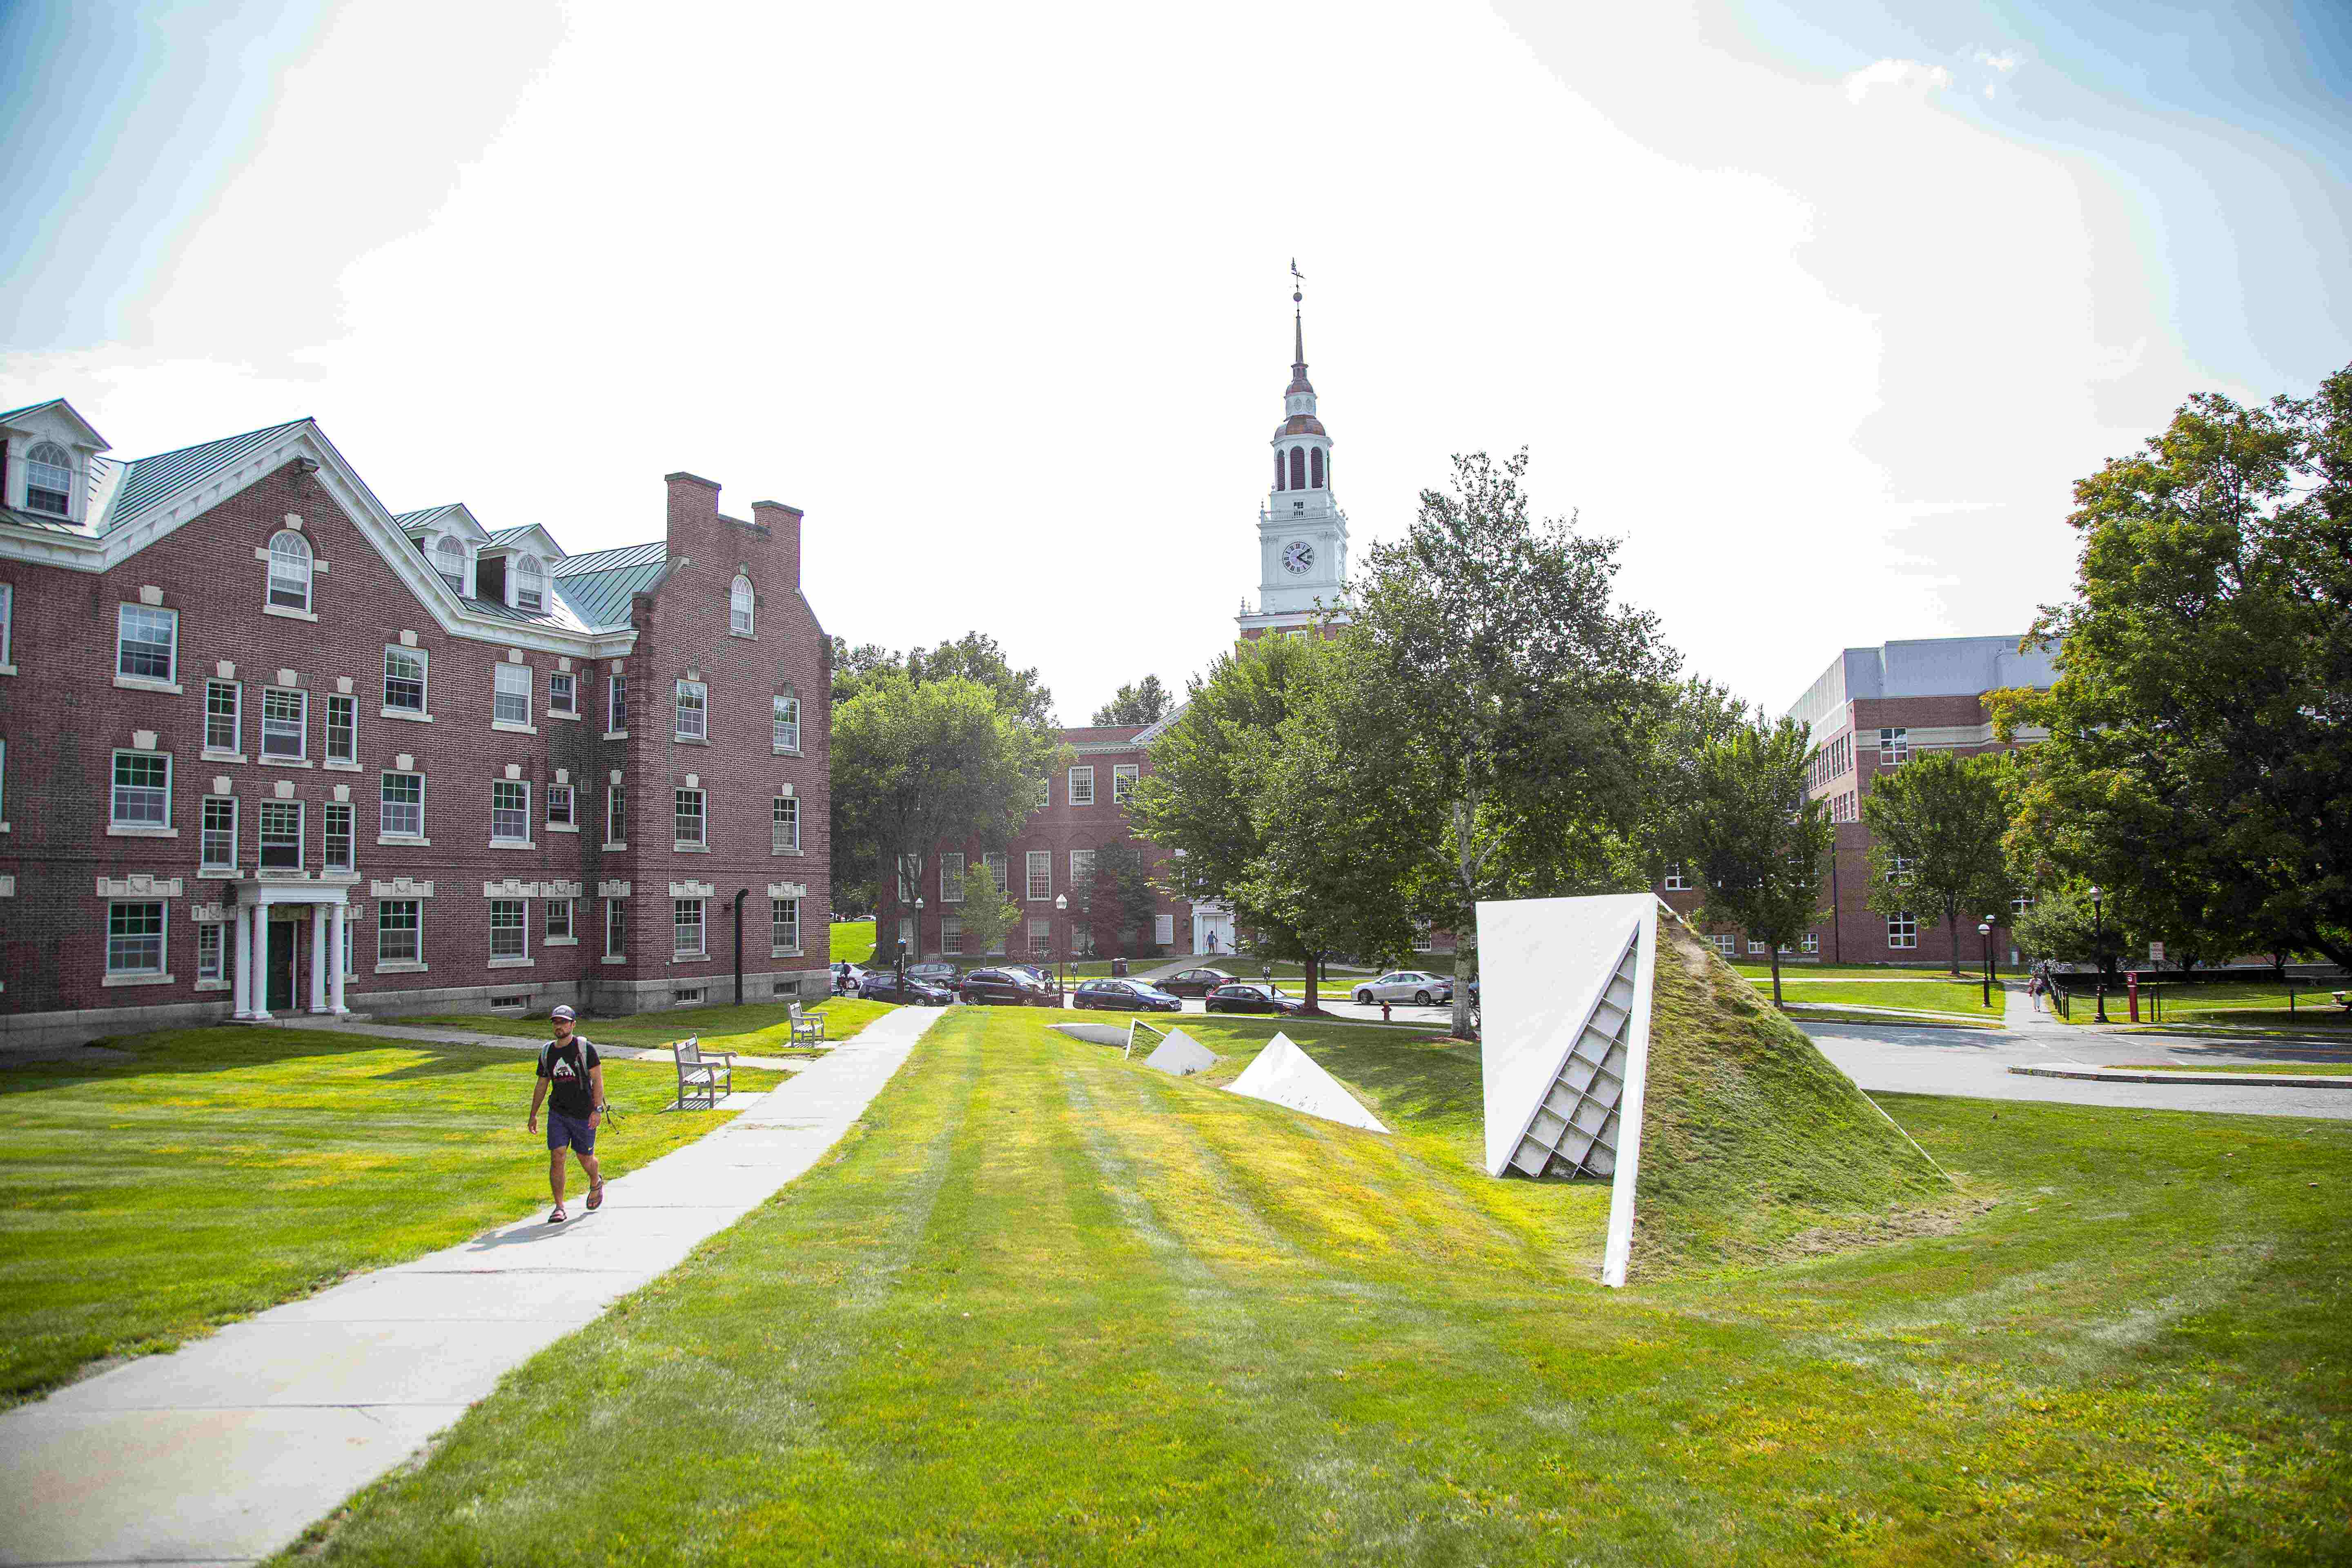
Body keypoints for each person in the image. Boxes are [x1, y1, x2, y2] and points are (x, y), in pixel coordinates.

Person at [526, 1004, 604, 1224]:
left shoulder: (585, 1048)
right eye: (556, 1022)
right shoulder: (548, 1052)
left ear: (573, 1024)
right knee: (557, 1156)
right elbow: (542, 1084)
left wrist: (597, 1110)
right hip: (558, 1113)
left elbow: (598, 1080)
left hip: (583, 1113)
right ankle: (559, 1207)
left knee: (585, 1158)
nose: (559, 1026)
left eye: (563, 1022)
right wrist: (533, 1114)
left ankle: (595, 1181)